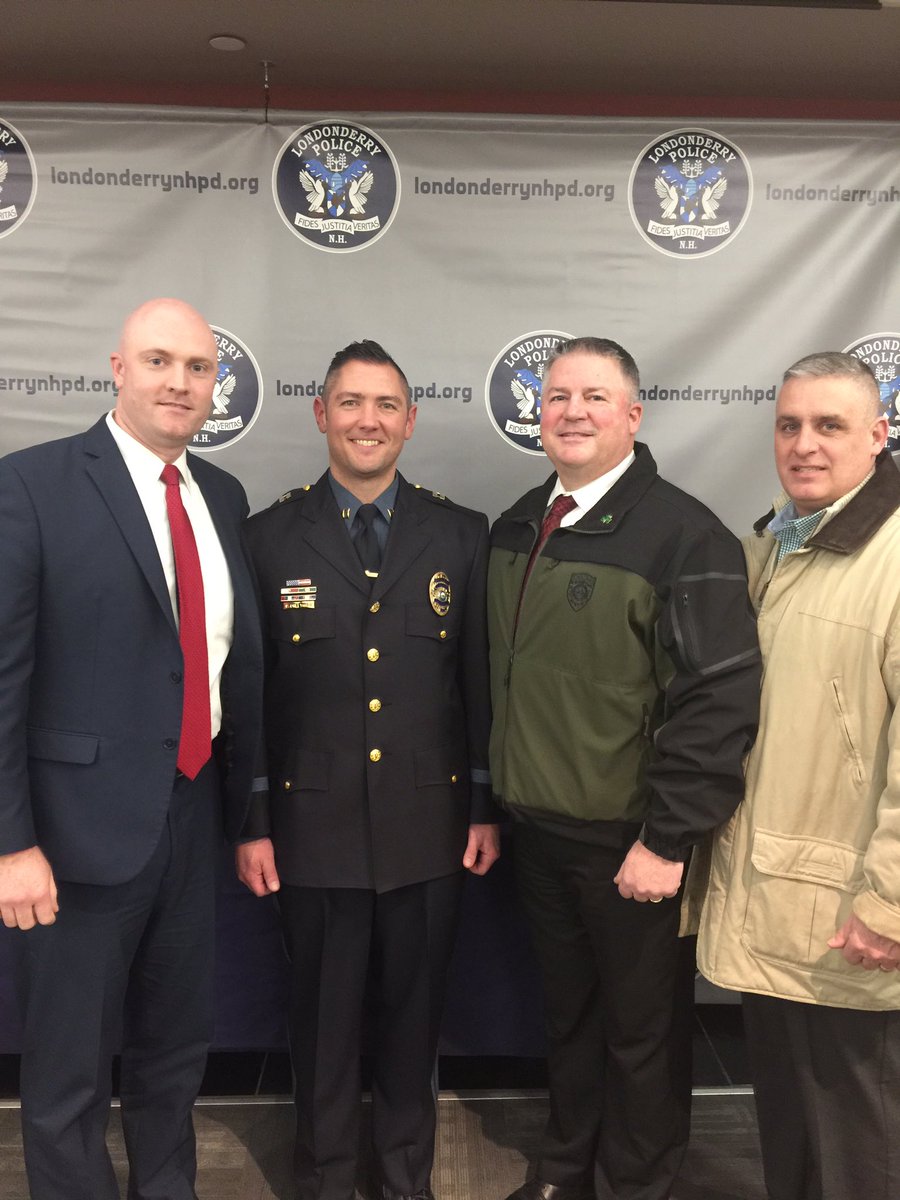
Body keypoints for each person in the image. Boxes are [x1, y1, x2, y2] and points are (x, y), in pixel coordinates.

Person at [0, 297, 263, 1200]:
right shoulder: (31, 484)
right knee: (70, 1071)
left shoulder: (222, 495)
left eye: (197, 368)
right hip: (72, 837)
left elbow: (233, 667)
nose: (179, 383)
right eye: (159, 362)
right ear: (117, 368)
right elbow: (2, 680)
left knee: (173, 1053)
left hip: (191, 817)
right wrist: (9, 841)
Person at [487, 337, 760, 1200]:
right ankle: (568, 1169)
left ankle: (635, 1184)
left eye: (595, 397)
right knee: (569, 1022)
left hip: (631, 843)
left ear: (632, 415)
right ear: (539, 415)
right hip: (537, 832)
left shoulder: (685, 534)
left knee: (641, 1034)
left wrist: (668, 837)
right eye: (559, 396)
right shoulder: (518, 523)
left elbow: (718, 701)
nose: (573, 411)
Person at [237, 339, 500, 1200]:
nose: (368, 421)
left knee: (412, 1023)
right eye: (350, 403)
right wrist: (255, 820)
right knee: (321, 1027)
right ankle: (324, 1177)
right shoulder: (269, 536)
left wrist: (485, 806)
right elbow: (253, 696)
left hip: (430, 827)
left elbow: (478, 688)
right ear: (321, 414)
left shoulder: (461, 533)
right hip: (312, 832)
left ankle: (403, 1178)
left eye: (386, 405)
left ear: (411, 421)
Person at [695, 352, 900, 1200]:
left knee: (857, 1150)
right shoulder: (777, 541)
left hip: (851, 916)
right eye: (789, 425)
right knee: (790, 1135)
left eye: (829, 425)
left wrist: (890, 899)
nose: (804, 445)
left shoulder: (890, 556)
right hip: (779, 904)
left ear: (879, 435)